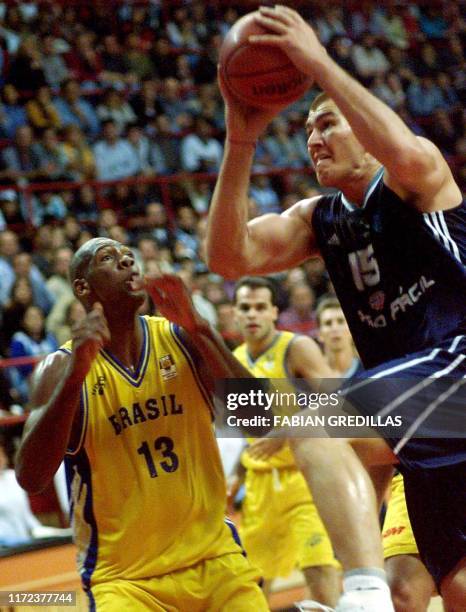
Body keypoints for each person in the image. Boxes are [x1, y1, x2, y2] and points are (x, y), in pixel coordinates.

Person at [206, 6, 465, 611]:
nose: (315, 139)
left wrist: (317, 64)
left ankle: (360, 593)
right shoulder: (318, 219)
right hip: (423, 424)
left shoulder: (412, 178)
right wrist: (241, 134)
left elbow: (405, 151)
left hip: (455, 372)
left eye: (329, 124)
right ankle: (377, 593)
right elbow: (226, 257)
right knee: (439, 593)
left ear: (365, 130)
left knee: (308, 413)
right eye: (308, 133)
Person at [15, 237, 268, 611]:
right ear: (82, 287)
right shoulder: (59, 369)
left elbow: (261, 419)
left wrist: (201, 326)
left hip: (215, 562)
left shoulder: (181, 337)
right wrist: (75, 378)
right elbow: (30, 476)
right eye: (109, 258)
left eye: (129, 257)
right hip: (127, 582)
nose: (127, 262)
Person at [230, 276, 341, 607]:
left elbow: (340, 401)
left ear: (274, 311)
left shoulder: (296, 348)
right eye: (245, 308)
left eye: (260, 307)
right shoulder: (232, 360)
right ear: (235, 313)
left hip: (304, 478)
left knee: (320, 571)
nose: (252, 314)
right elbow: (250, 433)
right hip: (260, 487)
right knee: (252, 583)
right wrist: (236, 473)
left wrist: (286, 432)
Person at [315, 296, 361, 378]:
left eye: (340, 321)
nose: (335, 328)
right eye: (328, 323)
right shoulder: (310, 379)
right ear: (319, 334)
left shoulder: (371, 371)